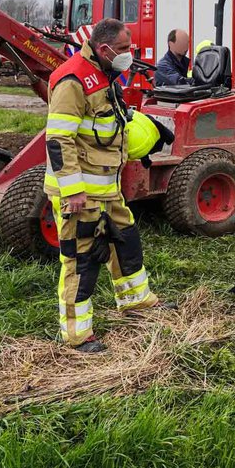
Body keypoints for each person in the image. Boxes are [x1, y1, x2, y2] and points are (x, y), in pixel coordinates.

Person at [45, 18, 165, 353]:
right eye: (125, 49)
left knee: (126, 240)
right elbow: (59, 139)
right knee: (81, 260)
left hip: (107, 189)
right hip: (79, 194)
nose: (130, 54)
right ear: (104, 48)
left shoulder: (104, 74)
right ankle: (78, 335)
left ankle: (135, 301)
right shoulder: (72, 80)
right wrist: (73, 191)